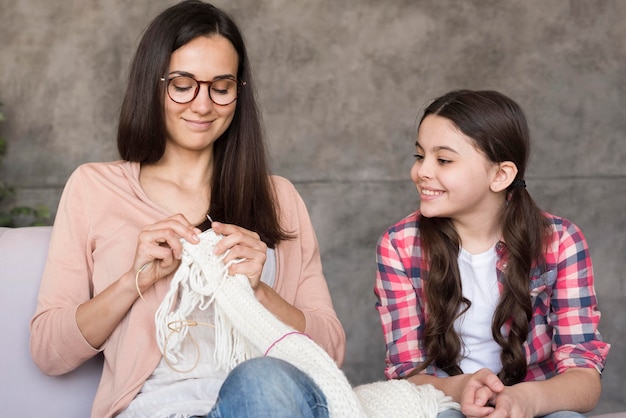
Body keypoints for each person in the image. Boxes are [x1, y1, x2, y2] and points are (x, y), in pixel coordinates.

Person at [29, 1, 345, 417]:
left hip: (266, 402)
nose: (202, 105)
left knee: (260, 382)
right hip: (155, 410)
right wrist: (133, 280)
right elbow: (49, 351)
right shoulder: (94, 188)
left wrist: (259, 291)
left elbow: (331, 351)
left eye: (221, 86)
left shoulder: (278, 198)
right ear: (153, 84)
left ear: (239, 91)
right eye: (182, 84)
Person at [374, 90, 610, 418]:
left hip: (536, 402)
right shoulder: (399, 245)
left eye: (443, 160)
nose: (421, 172)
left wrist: (525, 400)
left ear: (500, 175)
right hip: (447, 403)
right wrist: (462, 388)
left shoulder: (560, 242)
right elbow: (406, 372)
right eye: (419, 156)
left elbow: (584, 379)